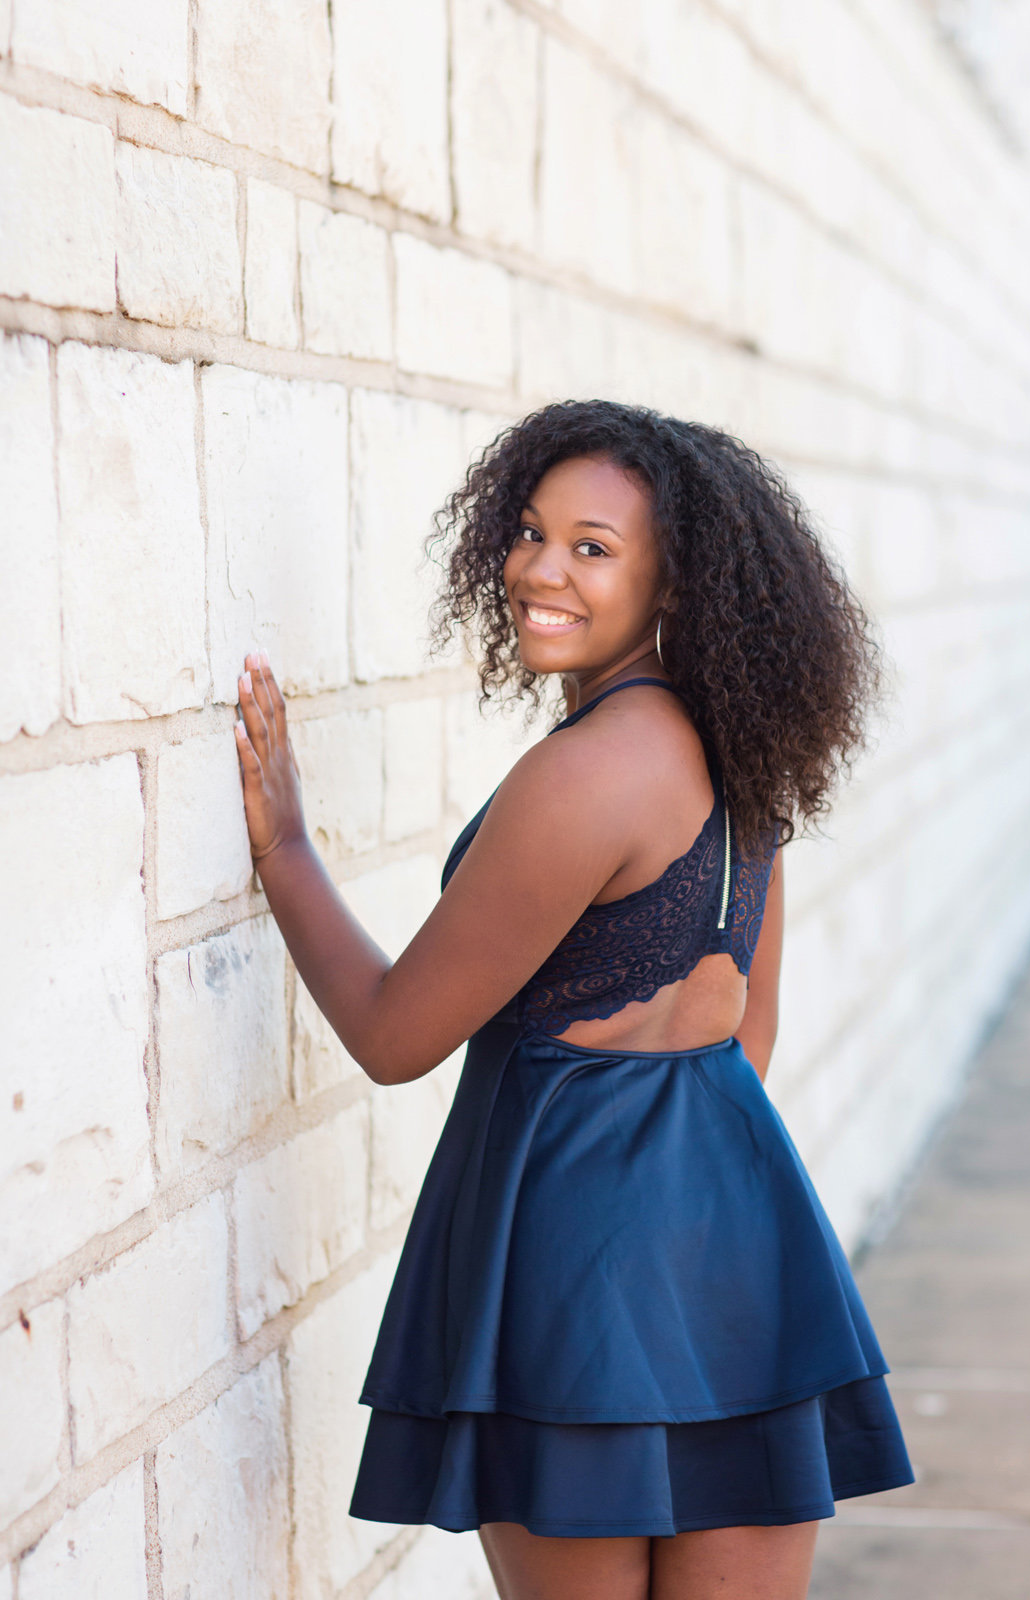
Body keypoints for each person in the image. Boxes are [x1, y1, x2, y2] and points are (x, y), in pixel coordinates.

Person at [234, 399, 914, 1600]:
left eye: (592, 547)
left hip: (569, 1270)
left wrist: (286, 848)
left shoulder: (585, 772)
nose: (539, 569)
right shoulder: (739, 747)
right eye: (531, 533)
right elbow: (743, 1031)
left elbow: (397, 1037)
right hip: (743, 1257)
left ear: (672, 579)